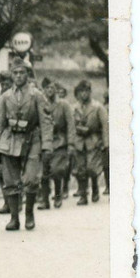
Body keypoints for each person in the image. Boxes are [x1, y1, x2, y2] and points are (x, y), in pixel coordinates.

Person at [0, 60, 53, 231]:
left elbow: (46, 122)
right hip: (9, 140)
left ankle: (29, 214)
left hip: (31, 139)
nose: (18, 76)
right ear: (11, 75)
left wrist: (47, 146)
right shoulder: (4, 97)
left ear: (27, 75)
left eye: (22, 73)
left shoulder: (37, 95)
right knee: (10, 181)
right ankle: (14, 218)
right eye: (15, 73)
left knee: (31, 179)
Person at [70, 80, 109, 206]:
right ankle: (83, 195)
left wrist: (106, 144)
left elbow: (105, 126)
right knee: (80, 168)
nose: (84, 94)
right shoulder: (74, 108)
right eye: (81, 91)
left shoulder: (98, 107)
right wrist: (71, 142)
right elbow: (70, 126)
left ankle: (95, 187)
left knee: (92, 168)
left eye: (86, 91)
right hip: (79, 141)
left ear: (90, 92)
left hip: (93, 140)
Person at [40, 78, 76, 210]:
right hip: (44, 142)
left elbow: (71, 125)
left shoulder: (63, 104)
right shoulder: (40, 104)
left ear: (56, 89)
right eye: (47, 88)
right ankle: (45, 200)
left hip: (60, 142)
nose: (49, 90)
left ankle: (58, 195)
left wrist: (71, 143)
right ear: (43, 90)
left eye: (52, 87)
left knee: (56, 170)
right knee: (43, 172)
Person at [0, 71, 14, 212]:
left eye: (7, 83)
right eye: (2, 84)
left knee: (16, 172)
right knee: (1, 172)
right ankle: (7, 201)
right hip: (1, 138)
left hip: (17, 136)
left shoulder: (16, 96)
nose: (4, 86)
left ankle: (17, 200)